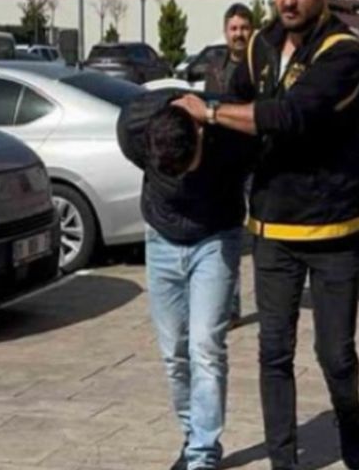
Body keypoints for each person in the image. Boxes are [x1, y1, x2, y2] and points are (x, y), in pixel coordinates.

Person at [173, 0, 359, 470]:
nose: (288, 0)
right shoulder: (261, 44)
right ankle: (284, 462)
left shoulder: (345, 52)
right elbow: (240, 102)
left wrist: (209, 111)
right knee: (273, 353)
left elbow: (288, 115)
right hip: (272, 227)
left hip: (334, 229)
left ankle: (350, 416)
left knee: (335, 356)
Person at [117, 89, 255, 470]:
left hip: (215, 237)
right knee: (174, 351)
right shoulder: (134, 126)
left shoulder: (229, 135)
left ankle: (202, 455)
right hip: (161, 238)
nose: (182, 177)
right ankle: (192, 435)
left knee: (206, 347)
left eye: (188, 167)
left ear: (200, 134)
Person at [205, 3, 256, 326]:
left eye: (244, 28)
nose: (239, 34)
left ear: (252, 30)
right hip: (225, 163)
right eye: (234, 28)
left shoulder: (262, 65)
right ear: (226, 32)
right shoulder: (215, 66)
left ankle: (275, 294)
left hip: (258, 160)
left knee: (265, 233)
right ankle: (230, 305)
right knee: (228, 234)